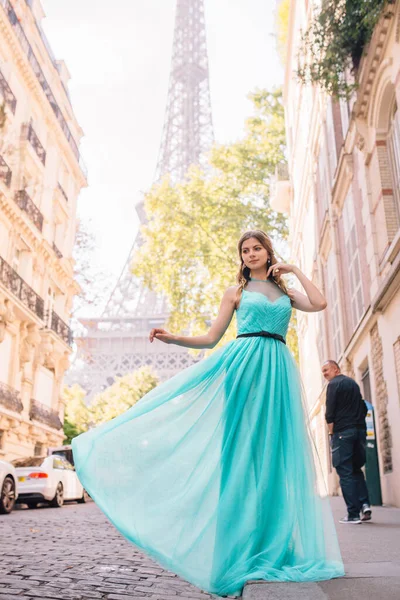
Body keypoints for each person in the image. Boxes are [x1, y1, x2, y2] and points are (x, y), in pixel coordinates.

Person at [72, 230, 344, 597]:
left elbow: (321, 302)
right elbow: (212, 338)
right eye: (245, 250)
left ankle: (275, 543)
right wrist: (174, 339)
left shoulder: (286, 293)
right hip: (245, 367)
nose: (250, 254)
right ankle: (239, 548)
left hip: (277, 368)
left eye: (256, 248)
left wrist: (293, 269)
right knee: (242, 455)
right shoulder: (235, 293)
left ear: (268, 252)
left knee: (274, 458)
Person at [322, 360, 371, 524]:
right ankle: (365, 505)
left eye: (326, 370)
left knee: (345, 472)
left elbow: (329, 414)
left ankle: (353, 514)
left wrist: (332, 434)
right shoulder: (353, 383)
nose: (324, 374)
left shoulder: (333, 385)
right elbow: (363, 407)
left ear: (335, 369)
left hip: (343, 433)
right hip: (359, 431)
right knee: (356, 469)